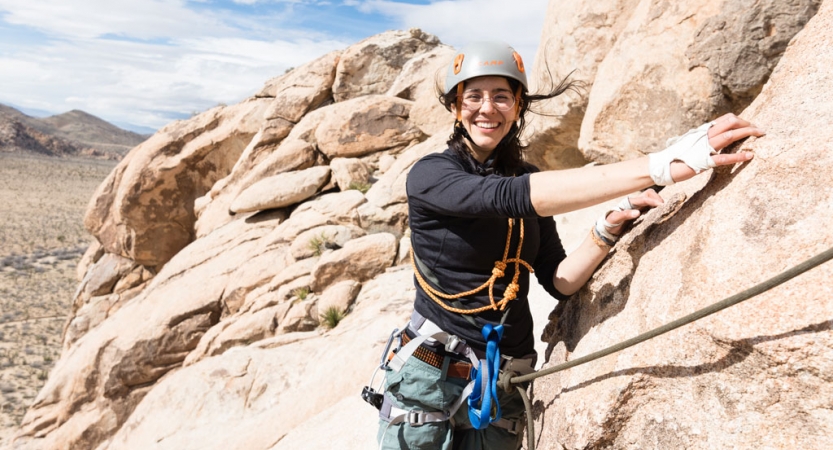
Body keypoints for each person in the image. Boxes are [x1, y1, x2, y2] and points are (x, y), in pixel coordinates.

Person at [371, 41, 763, 450]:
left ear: (519, 105)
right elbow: (508, 197)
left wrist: (607, 228)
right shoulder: (432, 175)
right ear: (456, 107)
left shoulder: (529, 177)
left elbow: (559, 280)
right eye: (473, 96)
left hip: (506, 378)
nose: (487, 108)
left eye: (501, 96)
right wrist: (660, 165)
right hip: (432, 373)